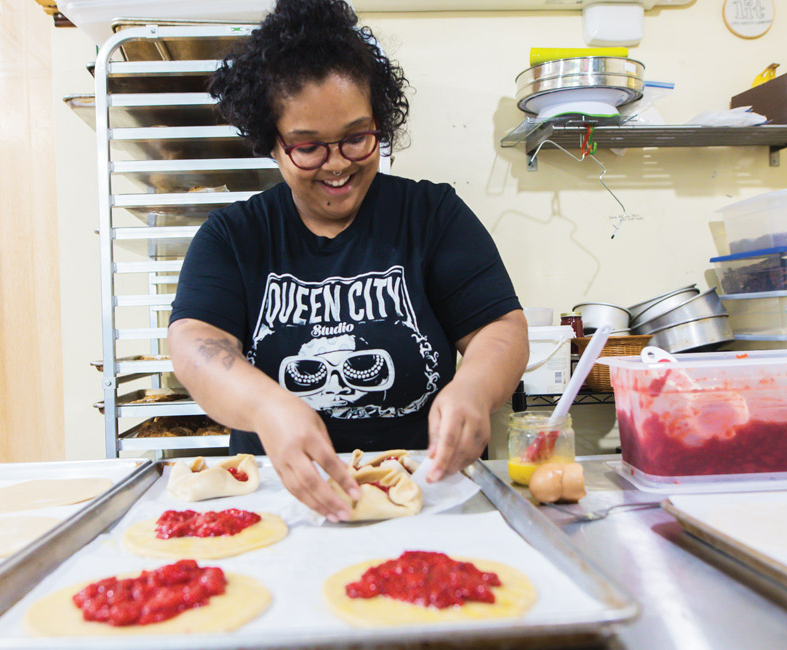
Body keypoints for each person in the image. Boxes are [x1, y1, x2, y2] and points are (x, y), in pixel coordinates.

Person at [168, 0, 528, 522]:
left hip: (425, 487)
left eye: (357, 138)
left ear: (379, 123)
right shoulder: (234, 235)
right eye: (308, 147)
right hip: (279, 499)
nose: (337, 164)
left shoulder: (432, 215)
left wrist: (474, 387)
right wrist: (269, 408)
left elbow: (499, 327)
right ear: (272, 143)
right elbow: (195, 344)